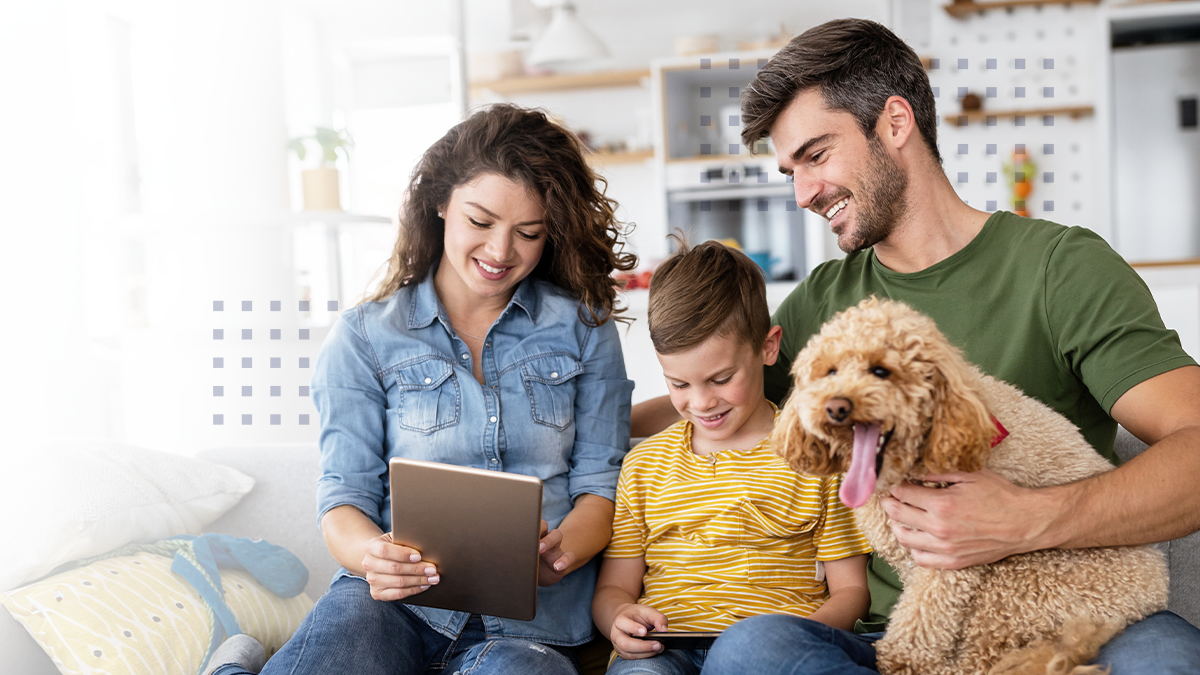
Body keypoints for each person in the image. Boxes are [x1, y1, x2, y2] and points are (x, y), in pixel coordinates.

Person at [631, 18, 1200, 675]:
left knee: (1169, 660)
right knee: (753, 650)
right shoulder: (824, 302)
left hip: (1073, 614)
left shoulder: (1059, 268)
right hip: (897, 641)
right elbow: (716, 389)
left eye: (816, 155)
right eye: (791, 170)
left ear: (895, 123)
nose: (802, 194)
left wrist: (1029, 518)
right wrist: (588, 438)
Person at [205, 103, 637, 675]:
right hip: (392, 606)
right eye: (480, 222)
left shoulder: (585, 329)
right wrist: (373, 556)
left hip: (535, 623)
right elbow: (343, 499)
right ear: (440, 203)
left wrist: (560, 554)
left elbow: (603, 484)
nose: (500, 252)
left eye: (528, 233)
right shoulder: (364, 336)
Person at [593, 239, 872, 675]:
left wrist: (799, 637)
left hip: (766, 651)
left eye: (721, 379)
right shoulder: (644, 466)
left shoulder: (817, 455)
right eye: (679, 384)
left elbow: (852, 591)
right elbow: (614, 587)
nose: (701, 402)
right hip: (663, 650)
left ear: (768, 347)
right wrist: (617, 619)